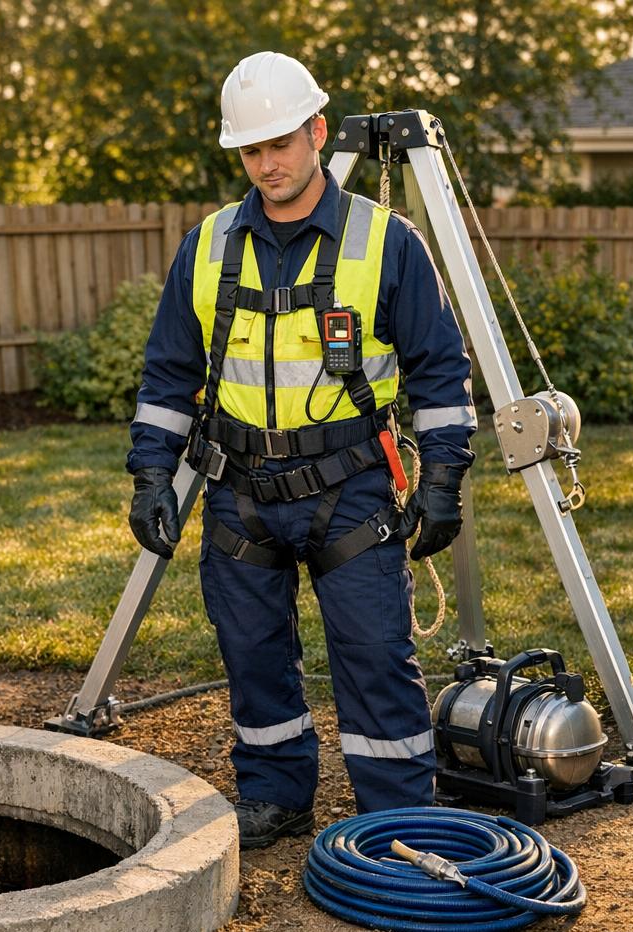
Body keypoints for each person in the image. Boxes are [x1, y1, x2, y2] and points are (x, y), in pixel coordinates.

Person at [126, 52, 475, 849]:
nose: (268, 163)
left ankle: (397, 817)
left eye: (281, 142)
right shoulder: (208, 245)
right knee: (251, 655)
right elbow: (169, 373)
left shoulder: (388, 242)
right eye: (252, 150)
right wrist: (151, 472)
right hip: (239, 490)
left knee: (375, 657)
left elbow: (440, 370)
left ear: (317, 132)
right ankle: (276, 796)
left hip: (350, 488)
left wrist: (445, 477)